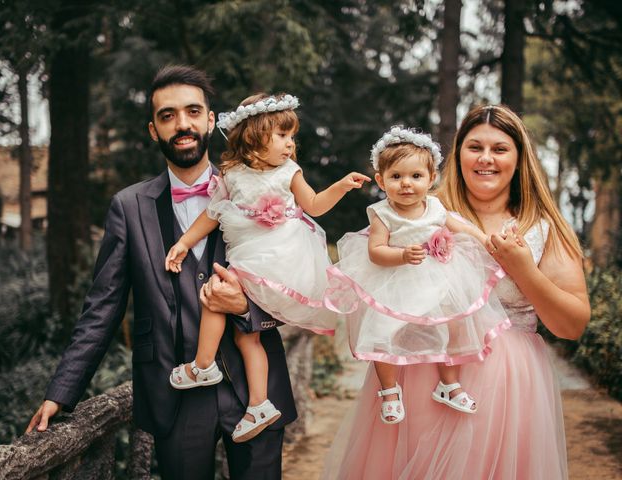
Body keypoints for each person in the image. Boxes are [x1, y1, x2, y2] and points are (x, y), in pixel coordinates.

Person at [26, 65, 298, 480]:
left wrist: (247, 305)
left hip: (256, 391)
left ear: (211, 119)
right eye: (167, 115)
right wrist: (61, 393)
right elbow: (102, 309)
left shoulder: (266, 188)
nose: (182, 124)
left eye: (192, 111)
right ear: (153, 129)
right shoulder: (128, 207)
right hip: (175, 393)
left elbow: (299, 287)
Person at [322, 105, 590, 480]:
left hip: (505, 383)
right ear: (456, 154)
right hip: (419, 372)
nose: (485, 159)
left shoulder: (543, 227)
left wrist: (523, 268)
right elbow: (371, 277)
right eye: (474, 147)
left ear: (519, 158)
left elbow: (572, 325)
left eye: (499, 149)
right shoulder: (416, 209)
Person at [164, 92, 370, 442]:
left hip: (279, 259)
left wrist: (340, 186)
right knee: (247, 336)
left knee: (214, 295)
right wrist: (184, 243)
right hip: (248, 256)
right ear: (255, 136)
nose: (291, 144)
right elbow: (211, 215)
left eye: (292, 136)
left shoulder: (290, 172)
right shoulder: (231, 175)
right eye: (282, 136)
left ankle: (203, 364)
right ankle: (259, 404)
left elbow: (315, 205)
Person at [324, 126, 510, 424]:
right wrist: (401, 255)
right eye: (396, 177)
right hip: (395, 279)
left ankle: (448, 384)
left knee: (453, 324)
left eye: (416, 176)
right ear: (381, 181)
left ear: (431, 179)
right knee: (381, 332)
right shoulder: (382, 213)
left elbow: (461, 227)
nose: (406, 184)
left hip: (438, 279)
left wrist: (485, 239)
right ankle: (389, 390)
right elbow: (376, 251)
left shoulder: (435, 206)